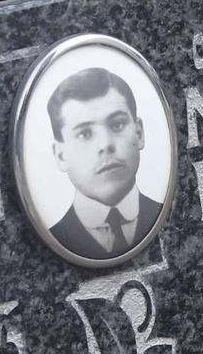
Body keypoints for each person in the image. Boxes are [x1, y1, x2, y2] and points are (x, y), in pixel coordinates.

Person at [45, 66, 165, 261]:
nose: (106, 144)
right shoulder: (55, 240)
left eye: (117, 125)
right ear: (61, 155)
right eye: (84, 134)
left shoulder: (173, 216)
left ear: (139, 133)